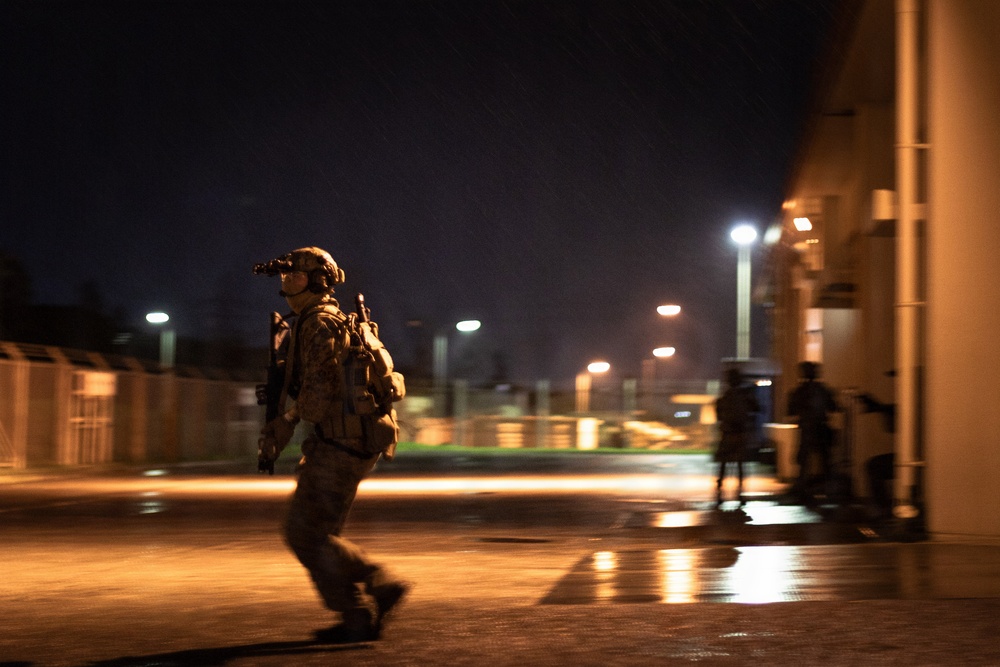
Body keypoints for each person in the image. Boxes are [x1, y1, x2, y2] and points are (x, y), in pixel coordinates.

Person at [256, 246, 408, 643]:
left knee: (305, 534)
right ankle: (355, 619)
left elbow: (320, 389)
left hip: (342, 443)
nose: (287, 281)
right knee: (318, 533)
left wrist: (287, 421)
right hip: (348, 440)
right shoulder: (323, 319)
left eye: (296, 275)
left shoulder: (319, 323)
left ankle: (379, 583)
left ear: (318, 279)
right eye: (284, 275)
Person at [786, 361, 840, 503]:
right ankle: (821, 490)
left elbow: (791, 411)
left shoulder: (802, 391)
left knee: (810, 462)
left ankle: (812, 490)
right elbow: (833, 407)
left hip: (812, 430)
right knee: (817, 461)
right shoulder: (820, 390)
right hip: (815, 430)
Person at [714, 368, 760, 507]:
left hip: (729, 434)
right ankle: (738, 493)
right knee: (739, 466)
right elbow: (756, 408)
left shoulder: (725, 397)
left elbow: (719, 416)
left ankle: (720, 493)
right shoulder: (743, 396)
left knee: (724, 466)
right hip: (738, 434)